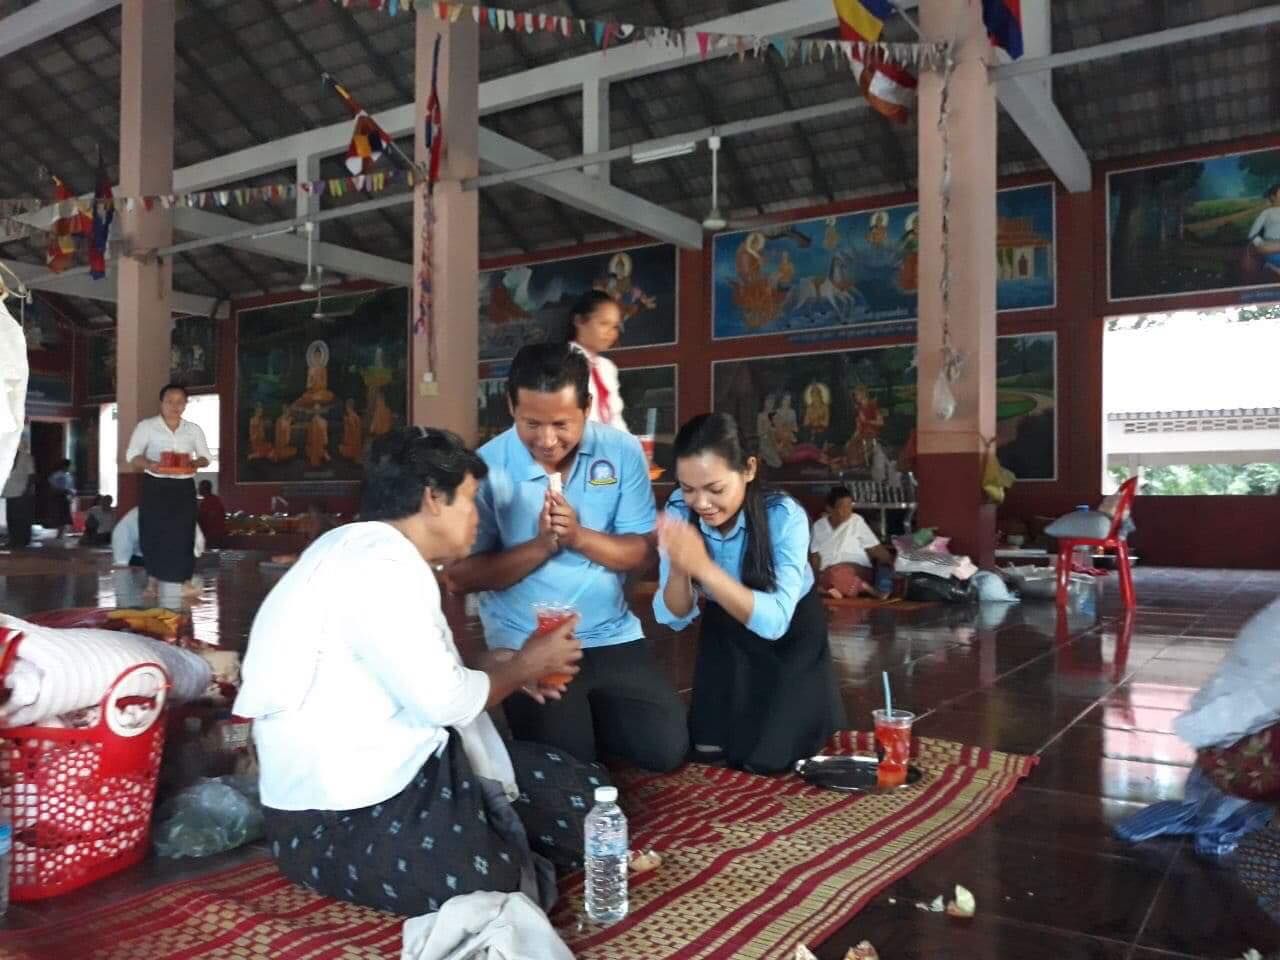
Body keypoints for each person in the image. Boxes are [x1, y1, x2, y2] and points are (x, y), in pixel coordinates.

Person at [234, 427, 602, 915]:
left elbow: (414, 677)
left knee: (587, 800)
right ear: (432, 498)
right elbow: (445, 702)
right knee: (491, 888)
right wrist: (524, 667)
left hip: (405, 767)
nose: (476, 518)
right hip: (337, 813)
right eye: (469, 500)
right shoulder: (379, 565)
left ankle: (490, 831)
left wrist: (502, 666)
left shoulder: (368, 550)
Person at [447, 343, 687, 773]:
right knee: (569, 762)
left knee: (665, 750)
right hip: (527, 640)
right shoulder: (488, 467)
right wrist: (542, 546)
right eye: (531, 424)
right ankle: (569, 729)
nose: (547, 440)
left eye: (561, 424)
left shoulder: (621, 452)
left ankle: (584, 718)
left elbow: (640, 553)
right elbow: (462, 576)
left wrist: (577, 536)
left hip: (610, 633)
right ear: (511, 407)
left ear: (587, 407)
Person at [654, 413, 845, 774]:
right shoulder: (679, 510)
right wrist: (680, 567)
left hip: (789, 634)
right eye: (688, 488)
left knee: (767, 760)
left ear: (749, 469)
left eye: (715, 489)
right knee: (709, 749)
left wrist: (704, 568)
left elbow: (775, 622)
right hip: (725, 627)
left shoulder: (783, 516)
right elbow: (673, 616)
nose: (701, 503)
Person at [124, 383, 211, 595]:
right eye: (170, 401)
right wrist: (150, 464)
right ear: (161, 403)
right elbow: (132, 455)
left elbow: (205, 457)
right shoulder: (147, 426)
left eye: (180, 402)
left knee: (184, 533)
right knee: (153, 531)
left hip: (183, 487)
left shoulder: (193, 429)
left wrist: (195, 463)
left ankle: (185, 580)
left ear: (186, 404)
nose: (175, 406)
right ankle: (153, 580)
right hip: (156, 485)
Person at [810, 486, 893, 600]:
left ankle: (862, 588)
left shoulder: (856, 521)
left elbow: (875, 549)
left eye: (849, 506)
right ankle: (849, 587)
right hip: (828, 572)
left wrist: (891, 562)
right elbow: (815, 556)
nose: (847, 511)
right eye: (842, 507)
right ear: (829, 509)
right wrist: (815, 577)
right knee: (827, 575)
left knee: (837, 573)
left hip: (856, 570)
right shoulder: (818, 526)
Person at [566, 290, 627, 431]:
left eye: (615, 326)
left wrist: (629, 442)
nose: (611, 333)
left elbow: (615, 418)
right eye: (604, 323)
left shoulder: (607, 368)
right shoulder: (561, 362)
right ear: (579, 321)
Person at [2, 438, 35, 548]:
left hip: (22, 492)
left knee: (22, 517)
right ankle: (13, 539)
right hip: (9, 491)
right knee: (11, 517)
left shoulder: (26, 458)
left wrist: (28, 490)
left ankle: (23, 540)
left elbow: (31, 476)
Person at [1246, 183, 1280, 278]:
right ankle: (1271, 265)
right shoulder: (1267, 213)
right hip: (1271, 248)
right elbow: (1252, 234)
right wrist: (1262, 245)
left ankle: (1272, 267)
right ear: (1273, 197)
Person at [47, 459, 74, 539]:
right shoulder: (57, 475)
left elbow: (70, 487)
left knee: (64, 516)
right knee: (60, 515)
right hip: (58, 496)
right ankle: (59, 533)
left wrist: (71, 494)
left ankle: (61, 533)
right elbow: (53, 486)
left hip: (65, 497)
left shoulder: (68, 476)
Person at [196, 480, 227, 548]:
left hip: (212, 535)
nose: (198, 489)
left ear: (204, 489)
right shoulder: (215, 499)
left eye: (200, 488)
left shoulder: (208, 502)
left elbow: (204, 518)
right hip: (217, 534)